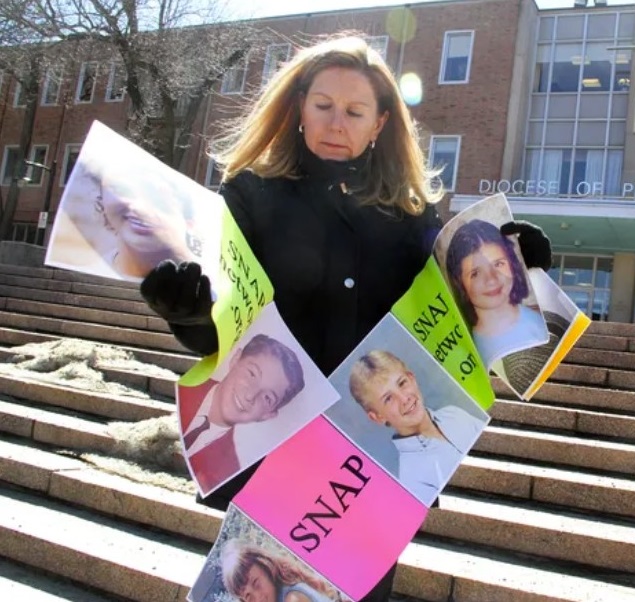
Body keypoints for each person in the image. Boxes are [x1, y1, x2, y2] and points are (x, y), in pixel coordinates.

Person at [139, 33, 551, 601]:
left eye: (356, 111)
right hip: (276, 448)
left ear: (380, 123)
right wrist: (185, 312)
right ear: (300, 107)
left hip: (369, 467)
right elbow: (230, 329)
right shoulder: (250, 197)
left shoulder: (413, 215)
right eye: (324, 106)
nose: (338, 123)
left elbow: (459, 319)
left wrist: (514, 265)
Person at [347, 350, 484, 504]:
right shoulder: (413, 480)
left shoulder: (453, 414)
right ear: (378, 416)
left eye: (402, 383)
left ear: (412, 378)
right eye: (388, 399)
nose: (404, 398)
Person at [180, 333, 305, 494]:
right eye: (252, 373)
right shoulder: (188, 390)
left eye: (267, 397)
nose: (250, 395)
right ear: (235, 359)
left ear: (269, 414)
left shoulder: (229, 467)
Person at [77, 156, 203, 280]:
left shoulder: (207, 285)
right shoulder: (87, 272)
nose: (140, 208)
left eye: (159, 199)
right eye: (123, 190)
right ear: (102, 201)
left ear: (190, 224)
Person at [445, 218, 548, 365]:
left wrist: (538, 270)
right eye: (475, 273)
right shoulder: (461, 348)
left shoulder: (543, 320)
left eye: (498, 264)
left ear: (512, 264)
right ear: (459, 283)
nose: (491, 279)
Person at [220, 539, 342, 602]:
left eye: (256, 584)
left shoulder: (292, 598)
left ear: (267, 568)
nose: (258, 598)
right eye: (249, 597)